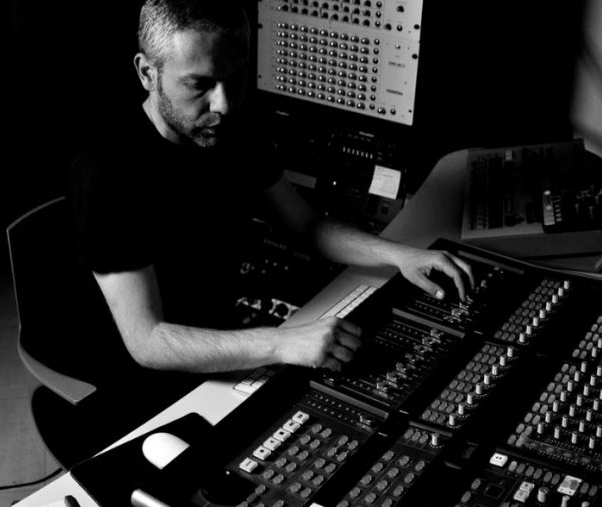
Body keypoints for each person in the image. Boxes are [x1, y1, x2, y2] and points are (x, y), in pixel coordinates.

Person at [68, 0, 473, 397]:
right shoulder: (106, 171)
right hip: (147, 383)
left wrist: (400, 255)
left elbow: (307, 226)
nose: (223, 104)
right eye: (199, 84)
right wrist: (283, 343)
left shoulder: (231, 129)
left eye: (236, 78)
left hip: (229, 342)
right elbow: (147, 341)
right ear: (146, 73)